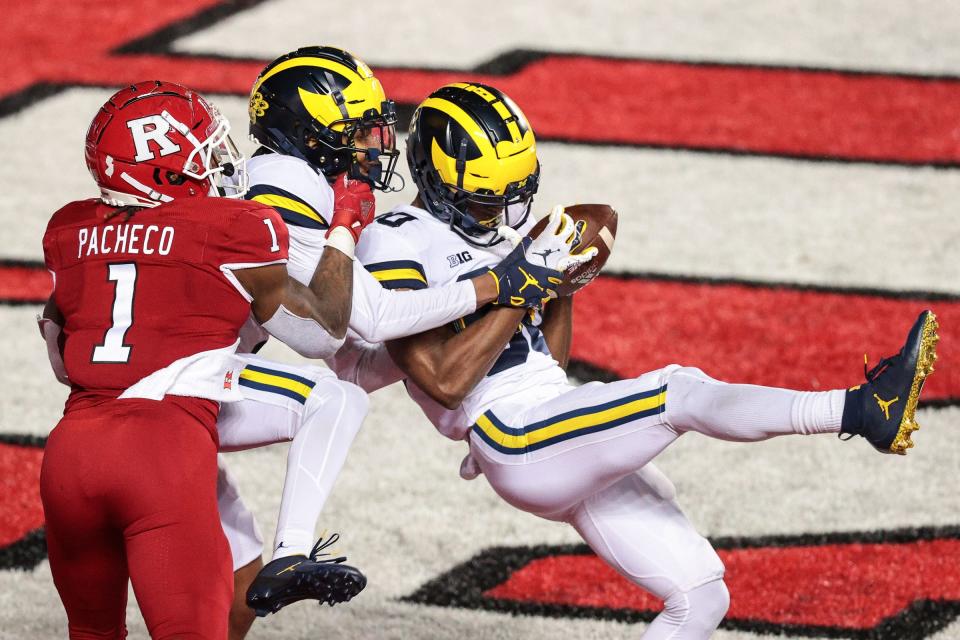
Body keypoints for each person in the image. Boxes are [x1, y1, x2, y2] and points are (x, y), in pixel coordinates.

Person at [340, 82, 940, 639]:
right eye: (483, 198)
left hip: (553, 423)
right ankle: (861, 408)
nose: (500, 212)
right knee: (678, 390)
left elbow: (548, 362)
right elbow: (444, 380)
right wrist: (521, 280)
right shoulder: (396, 236)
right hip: (512, 433)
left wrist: (558, 282)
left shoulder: (498, 232)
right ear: (436, 179)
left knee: (701, 595)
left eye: (510, 196)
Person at [211, 46, 582, 633]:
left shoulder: (289, 177)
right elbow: (370, 320)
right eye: (357, 131)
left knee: (231, 586)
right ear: (308, 135)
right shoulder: (284, 180)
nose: (376, 144)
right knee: (333, 402)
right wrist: (502, 283)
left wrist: (446, 351)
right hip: (187, 382)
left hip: (200, 380)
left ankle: (279, 560)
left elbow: (348, 352)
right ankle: (294, 551)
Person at [38, 80, 377, 638]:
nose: (220, 161)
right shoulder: (232, 228)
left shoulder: (69, 230)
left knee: (92, 633)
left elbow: (60, 358)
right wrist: (343, 228)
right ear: (166, 168)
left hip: (70, 456)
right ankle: (293, 548)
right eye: (205, 150)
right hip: (162, 453)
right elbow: (323, 334)